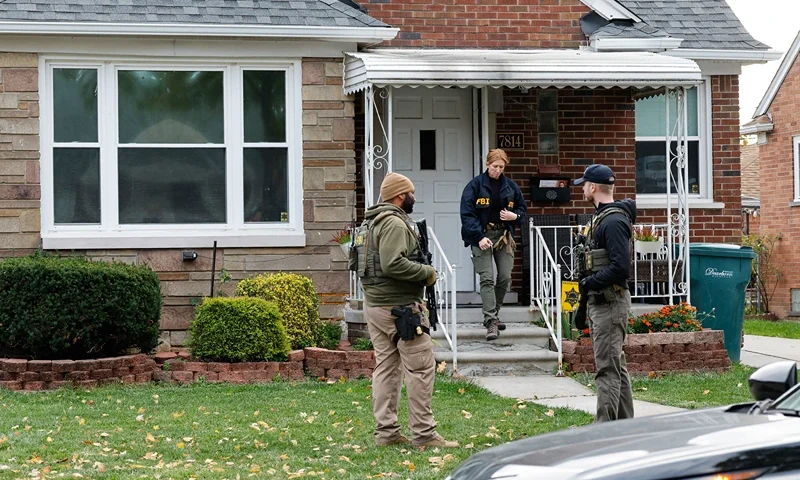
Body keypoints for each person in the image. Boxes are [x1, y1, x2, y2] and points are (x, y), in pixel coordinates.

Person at [357, 172, 459, 448]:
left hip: (376, 306)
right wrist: (427, 272)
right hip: (400, 309)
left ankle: (386, 433)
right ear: (401, 196)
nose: (415, 197)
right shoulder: (395, 224)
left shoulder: (372, 222)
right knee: (421, 369)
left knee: (387, 368)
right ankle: (424, 434)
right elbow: (393, 264)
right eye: (411, 193)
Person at [573, 164, 636, 422]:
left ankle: (604, 431)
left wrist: (590, 283)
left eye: (584, 185)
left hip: (610, 303)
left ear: (593, 187)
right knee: (616, 367)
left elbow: (620, 269)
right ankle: (624, 427)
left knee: (607, 370)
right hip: (603, 303)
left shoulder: (612, 221)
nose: (583, 189)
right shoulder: (603, 217)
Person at [460, 149, 527, 341]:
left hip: (503, 236)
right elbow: (467, 214)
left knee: (505, 277)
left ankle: (494, 314)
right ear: (487, 164)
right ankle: (490, 321)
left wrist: (515, 217)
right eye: (494, 166)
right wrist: (478, 237)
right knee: (487, 277)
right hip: (481, 236)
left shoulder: (511, 187)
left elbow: (523, 210)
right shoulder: (475, 186)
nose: (498, 170)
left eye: (501, 167)